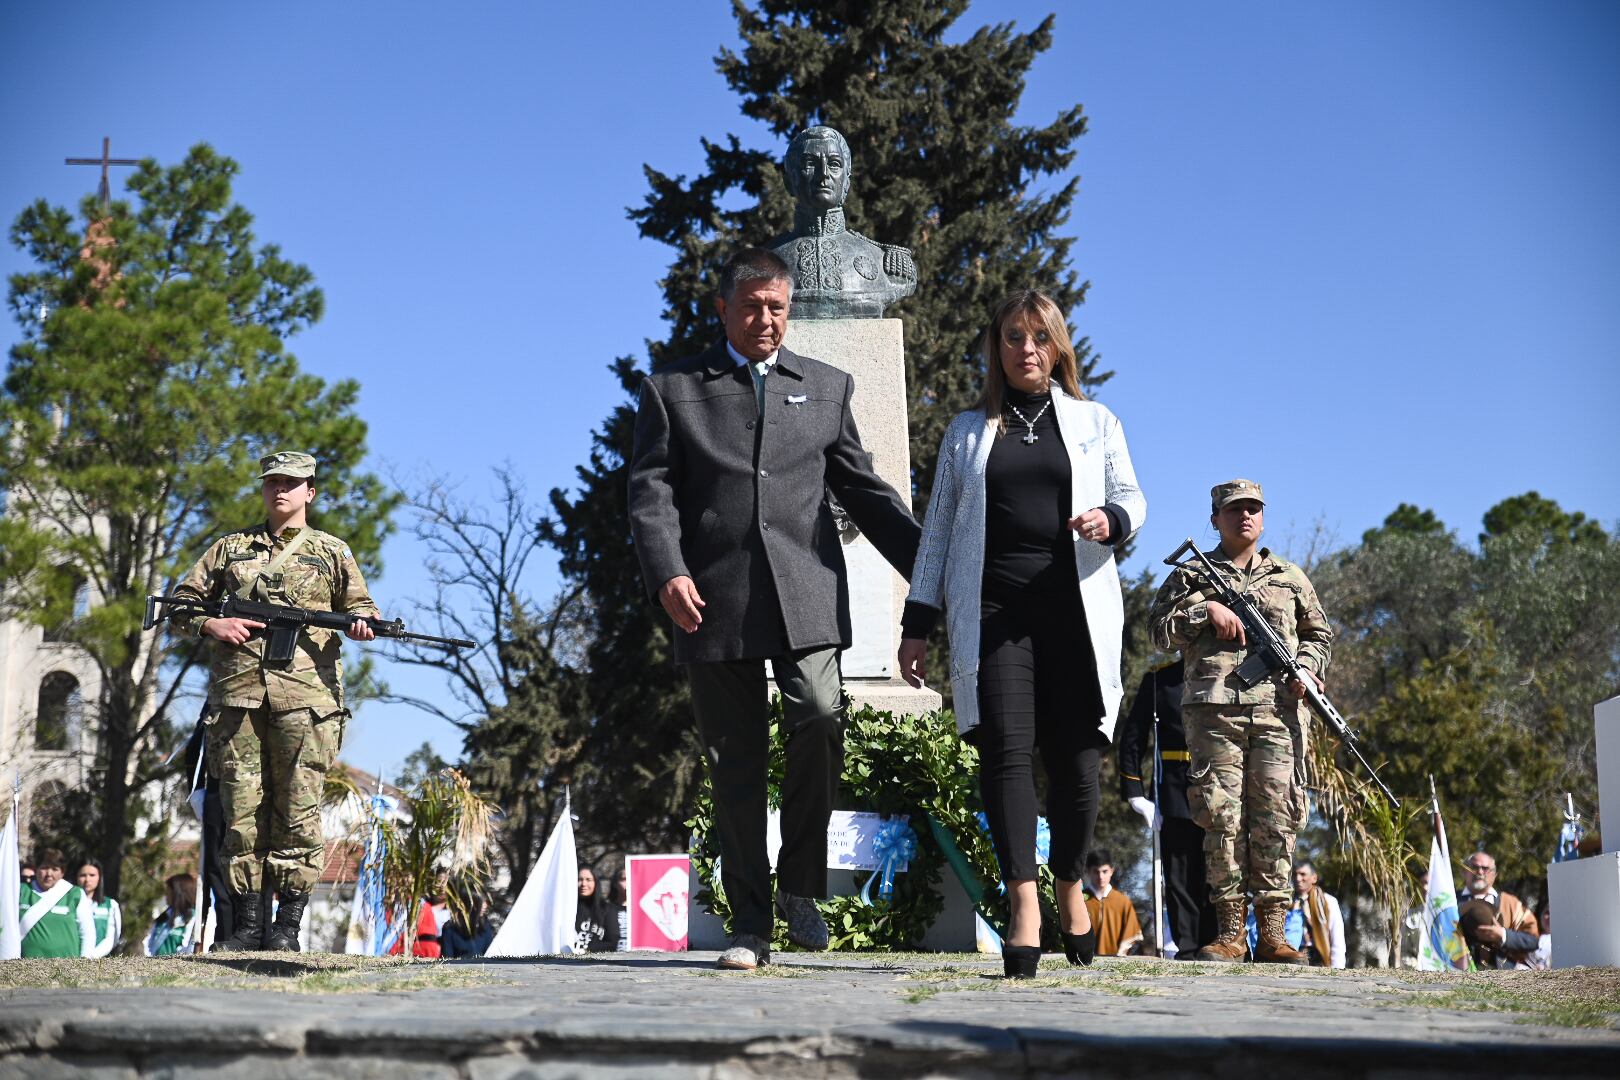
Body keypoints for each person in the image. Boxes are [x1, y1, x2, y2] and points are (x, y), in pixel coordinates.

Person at [628, 248, 921, 971]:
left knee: (818, 714)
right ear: (725, 308)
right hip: (712, 600)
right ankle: (750, 927)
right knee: (737, 763)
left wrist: (933, 569)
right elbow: (650, 491)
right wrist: (667, 572)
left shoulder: (825, 387)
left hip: (806, 593)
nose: (766, 320)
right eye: (754, 306)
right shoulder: (674, 391)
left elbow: (866, 492)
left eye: (778, 308)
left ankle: (800, 887)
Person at [899, 289, 1146, 978]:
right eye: (1012, 337)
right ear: (996, 348)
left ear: (1058, 347)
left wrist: (1111, 522)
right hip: (994, 613)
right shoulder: (967, 431)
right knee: (1005, 751)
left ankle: (1071, 884)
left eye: (1039, 337)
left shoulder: (1096, 421)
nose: (1026, 349)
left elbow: (1132, 496)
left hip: (1075, 612)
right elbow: (940, 531)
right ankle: (1024, 905)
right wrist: (918, 622)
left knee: (1075, 763)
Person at [169, 450, 380, 952]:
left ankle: (286, 929)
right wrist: (210, 623)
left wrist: (363, 625)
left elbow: (362, 609)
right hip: (238, 700)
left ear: (310, 492)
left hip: (307, 702)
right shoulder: (229, 549)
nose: (280, 490)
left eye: (292, 482)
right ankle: (244, 927)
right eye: (272, 482)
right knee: (241, 812)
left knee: (299, 813)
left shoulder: (331, 551)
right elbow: (179, 605)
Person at [1149, 479, 1331, 966]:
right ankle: (1230, 932)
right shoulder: (1192, 575)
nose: (1244, 517)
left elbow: (1319, 634)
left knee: (1276, 818)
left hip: (1278, 714)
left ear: (1263, 518)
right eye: (1233, 510)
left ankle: (1273, 932)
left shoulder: (1290, 577)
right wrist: (1204, 610)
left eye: (1253, 508)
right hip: (1214, 713)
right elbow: (1157, 630)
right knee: (1220, 817)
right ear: (1215, 519)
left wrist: (1309, 668)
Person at [1117, 657, 1214, 958]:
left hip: (1218, 788)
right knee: (1180, 875)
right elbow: (1133, 737)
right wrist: (1135, 792)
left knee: (1216, 872)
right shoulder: (1160, 680)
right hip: (1174, 790)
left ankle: (1216, 944)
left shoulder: (1225, 674)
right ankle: (1187, 947)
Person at [1457, 850, 1538, 968]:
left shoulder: (1510, 903)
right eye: (1474, 867)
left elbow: (1533, 940)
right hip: (1457, 974)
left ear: (1494, 875)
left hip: (1503, 977)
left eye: (1485, 868)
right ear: (1464, 872)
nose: (1479, 872)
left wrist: (1503, 935)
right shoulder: (1451, 902)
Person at [19, 848, 95, 958]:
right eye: (44, 868)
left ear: (62, 872)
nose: (49, 874)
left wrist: (85, 964)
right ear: (36, 869)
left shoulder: (75, 894)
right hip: (26, 968)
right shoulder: (21, 891)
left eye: (55, 869)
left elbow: (87, 933)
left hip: (65, 969)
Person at [1083, 850, 1144, 958]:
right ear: (1088, 871)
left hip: (1115, 963)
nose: (1100, 876)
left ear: (1111, 871)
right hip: (1084, 962)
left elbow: (1132, 934)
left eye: (1104, 871)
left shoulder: (1122, 902)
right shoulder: (1081, 900)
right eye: (1096, 872)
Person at [1292, 861, 1346, 968]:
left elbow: (1337, 938)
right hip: (1292, 955)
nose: (1298, 879)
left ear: (1314, 878)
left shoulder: (1328, 902)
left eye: (1303, 874)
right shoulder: (1287, 903)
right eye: (1294, 874)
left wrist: (1337, 968)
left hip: (1318, 957)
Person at [77, 859, 122, 958]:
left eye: (92, 875)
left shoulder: (111, 905)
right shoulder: (69, 903)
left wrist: (90, 957)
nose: (87, 880)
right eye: (83, 875)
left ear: (99, 878)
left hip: (99, 962)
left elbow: (112, 938)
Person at [145, 874, 197, 956]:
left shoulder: (193, 917)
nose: (166, 895)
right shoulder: (164, 917)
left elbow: (189, 948)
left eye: (169, 891)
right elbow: (148, 942)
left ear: (179, 893)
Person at [440, 883, 494, 959]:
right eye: (481, 902)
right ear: (469, 904)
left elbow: (491, 955)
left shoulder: (485, 926)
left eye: (485, 901)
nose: (485, 905)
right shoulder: (450, 928)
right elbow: (447, 960)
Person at [574, 867, 619, 953]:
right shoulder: (568, 909)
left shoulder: (608, 910)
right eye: (579, 879)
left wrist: (585, 951)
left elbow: (612, 943)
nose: (583, 883)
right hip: (566, 962)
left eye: (588, 879)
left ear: (595, 882)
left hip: (597, 963)